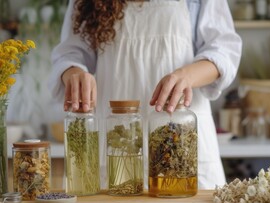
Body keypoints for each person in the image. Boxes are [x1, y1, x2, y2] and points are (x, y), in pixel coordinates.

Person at [49, 0, 242, 189]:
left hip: (182, 137)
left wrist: (187, 76)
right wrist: (73, 72)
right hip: (116, 141)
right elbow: (69, 54)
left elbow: (224, 50)